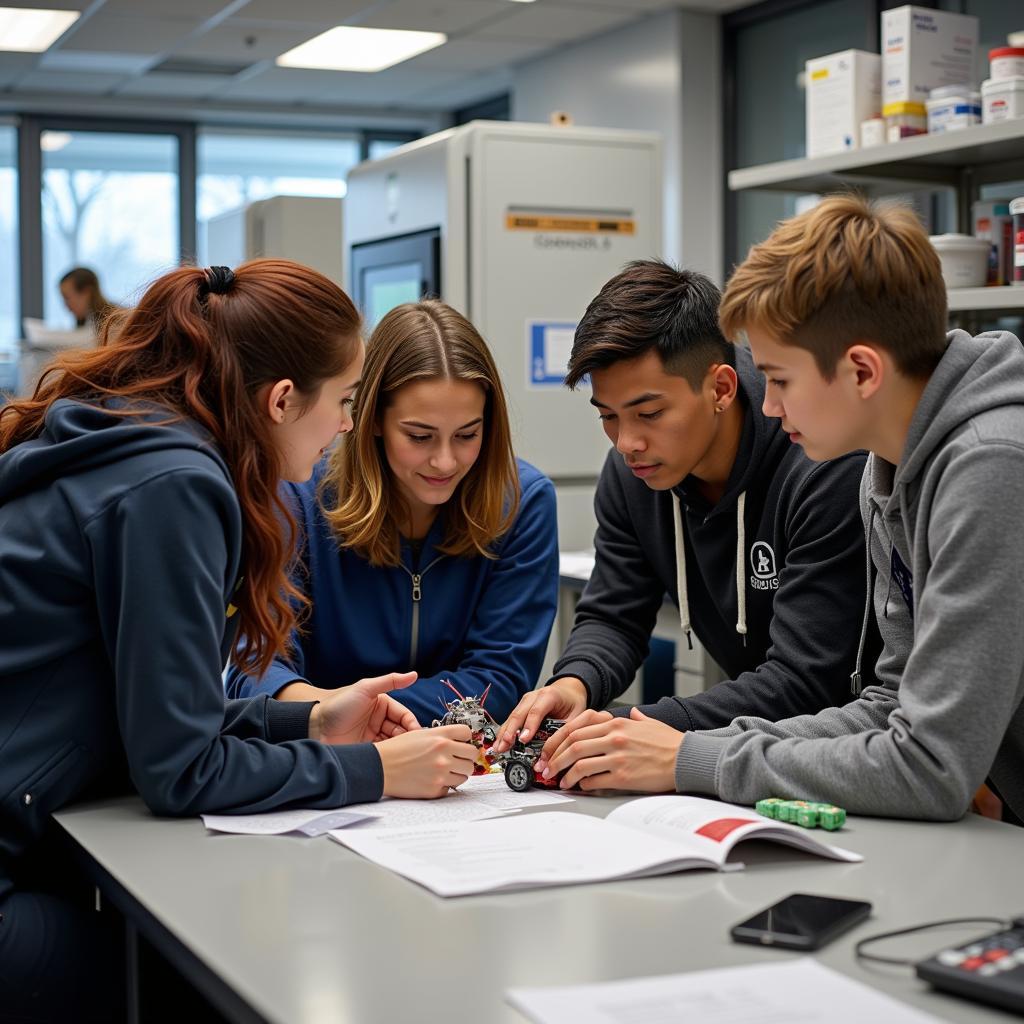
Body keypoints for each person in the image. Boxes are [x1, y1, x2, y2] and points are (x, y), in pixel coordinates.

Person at [0, 260, 478, 1020]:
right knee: (182, 976)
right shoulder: (177, 485)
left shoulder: (141, 442)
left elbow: (162, 714)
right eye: (347, 402)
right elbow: (181, 770)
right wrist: (374, 771)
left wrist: (312, 722)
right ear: (283, 401)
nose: (350, 426)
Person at [543, 195, 1024, 826]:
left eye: (780, 379)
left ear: (861, 371)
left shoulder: (989, 467)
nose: (766, 406)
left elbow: (930, 766)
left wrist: (692, 759)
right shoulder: (888, 470)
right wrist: (687, 749)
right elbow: (889, 705)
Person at [495, 259, 880, 786]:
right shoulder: (633, 477)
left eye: (648, 413)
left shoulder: (822, 464)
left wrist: (639, 731)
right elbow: (614, 615)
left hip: (851, 758)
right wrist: (575, 684)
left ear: (720, 389)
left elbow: (807, 680)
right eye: (608, 415)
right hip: (755, 758)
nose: (627, 442)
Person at [226, 299, 559, 726]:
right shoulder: (296, 497)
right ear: (373, 419)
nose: (445, 461)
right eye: (419, 436)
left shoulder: (523, 502)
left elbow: (499, 681)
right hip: (325, 756)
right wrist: (325, 714)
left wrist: (363, 712)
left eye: (467, 434)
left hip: (459, 768)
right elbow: (256, 665)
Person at [58, 266, 118, 330]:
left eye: (67, 298)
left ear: (87, 292)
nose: (66, 305)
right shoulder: (84, 322)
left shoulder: (116, 323)